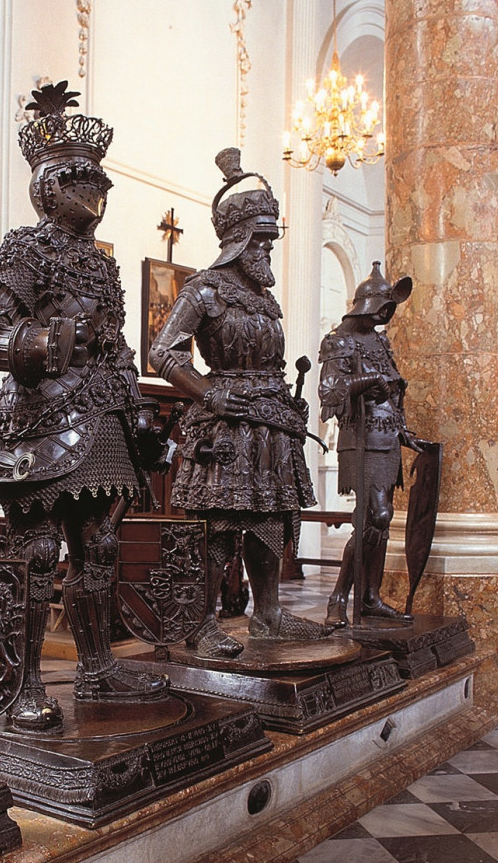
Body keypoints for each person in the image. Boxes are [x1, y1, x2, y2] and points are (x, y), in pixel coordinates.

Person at [0, 81, 168, 733]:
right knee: (36, 554)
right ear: (49, 187)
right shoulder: (23, 249)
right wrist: (35, 343)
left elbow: (117, 351)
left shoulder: (102, 267)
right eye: (80, 185)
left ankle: (97, 669)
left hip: (100, 422)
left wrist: (139, 415)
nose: (94, 198)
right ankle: (24, 683)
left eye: (99, 187)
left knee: (99, 547)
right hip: (37, 421)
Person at [148, 148, 327, 656]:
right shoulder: (204, 290)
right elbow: (164, 352)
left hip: (270, 422)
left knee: (269, 516)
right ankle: (202, 623)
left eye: (271, 241)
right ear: (239, 237)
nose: (268, 250)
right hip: (226, 423)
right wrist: (212, 393)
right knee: (221, 524)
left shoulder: (266, 298)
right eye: (262, 240)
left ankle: (267, 615)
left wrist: (291, 409)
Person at [320, 262, 422, 627]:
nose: (387, 315)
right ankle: (338, 598)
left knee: (380, 523)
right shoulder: (338, 340)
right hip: (359, 437)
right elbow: (330, 391)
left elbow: (396, 391)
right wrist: (367, 380)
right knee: (374, 517)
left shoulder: (379, 340)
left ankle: (370, 597)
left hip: (387, 436)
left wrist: (404, 430)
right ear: (368, 304)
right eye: (383, 307)